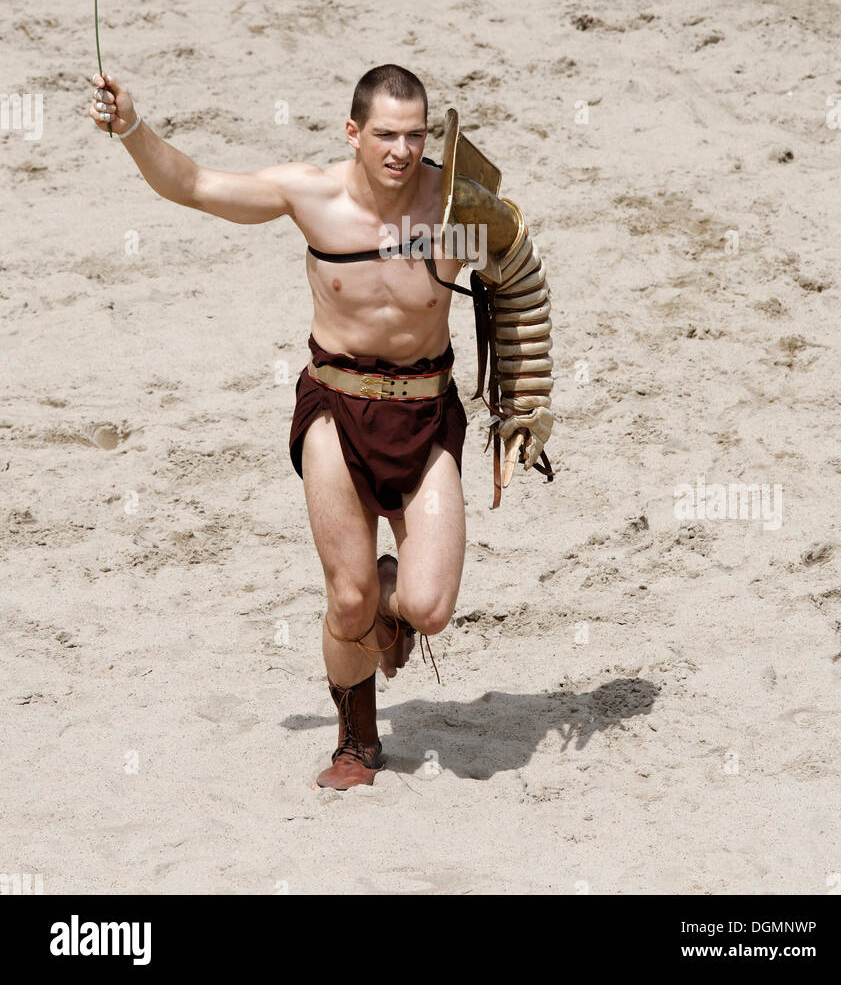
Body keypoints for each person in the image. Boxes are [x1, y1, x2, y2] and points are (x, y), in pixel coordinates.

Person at [87, 63, 553, 789]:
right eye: (386, 135)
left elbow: (520, 278)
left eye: (415, 134)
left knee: (427, 609)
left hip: (427, 414)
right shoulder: (313, 195)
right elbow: (195, 184)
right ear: (354, 133)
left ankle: (385, 596)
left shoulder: (452, 204)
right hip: (335, 407)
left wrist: (525, 401)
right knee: (348, 599)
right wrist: (132, 129)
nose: (402, 150)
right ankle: (357, 739)